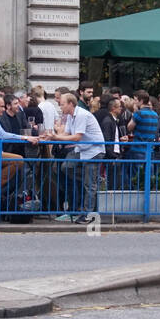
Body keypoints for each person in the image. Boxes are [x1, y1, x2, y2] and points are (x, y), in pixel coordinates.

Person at [46, 92, 104, 223]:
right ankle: (91, 180)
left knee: (89, 184)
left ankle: (88, 214)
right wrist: (51, 137)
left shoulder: (81, 115)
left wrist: (56, 137)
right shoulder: (71, 116)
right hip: (83, 149)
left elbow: (77, 136)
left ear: (71, 104)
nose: (60, 108)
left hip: (94, 150)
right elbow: (66, 133)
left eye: (62, 105)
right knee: (65, 167)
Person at [124, 91, 159, 190]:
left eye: (135, 100)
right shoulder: (155, 114)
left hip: (138, 148)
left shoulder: (139, 114)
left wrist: (134, 114)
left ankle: (136, 196)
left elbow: (129, 127)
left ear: (141, 100)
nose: (134, 102)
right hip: (150, 149)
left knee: (137, 176)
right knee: (149, 176)